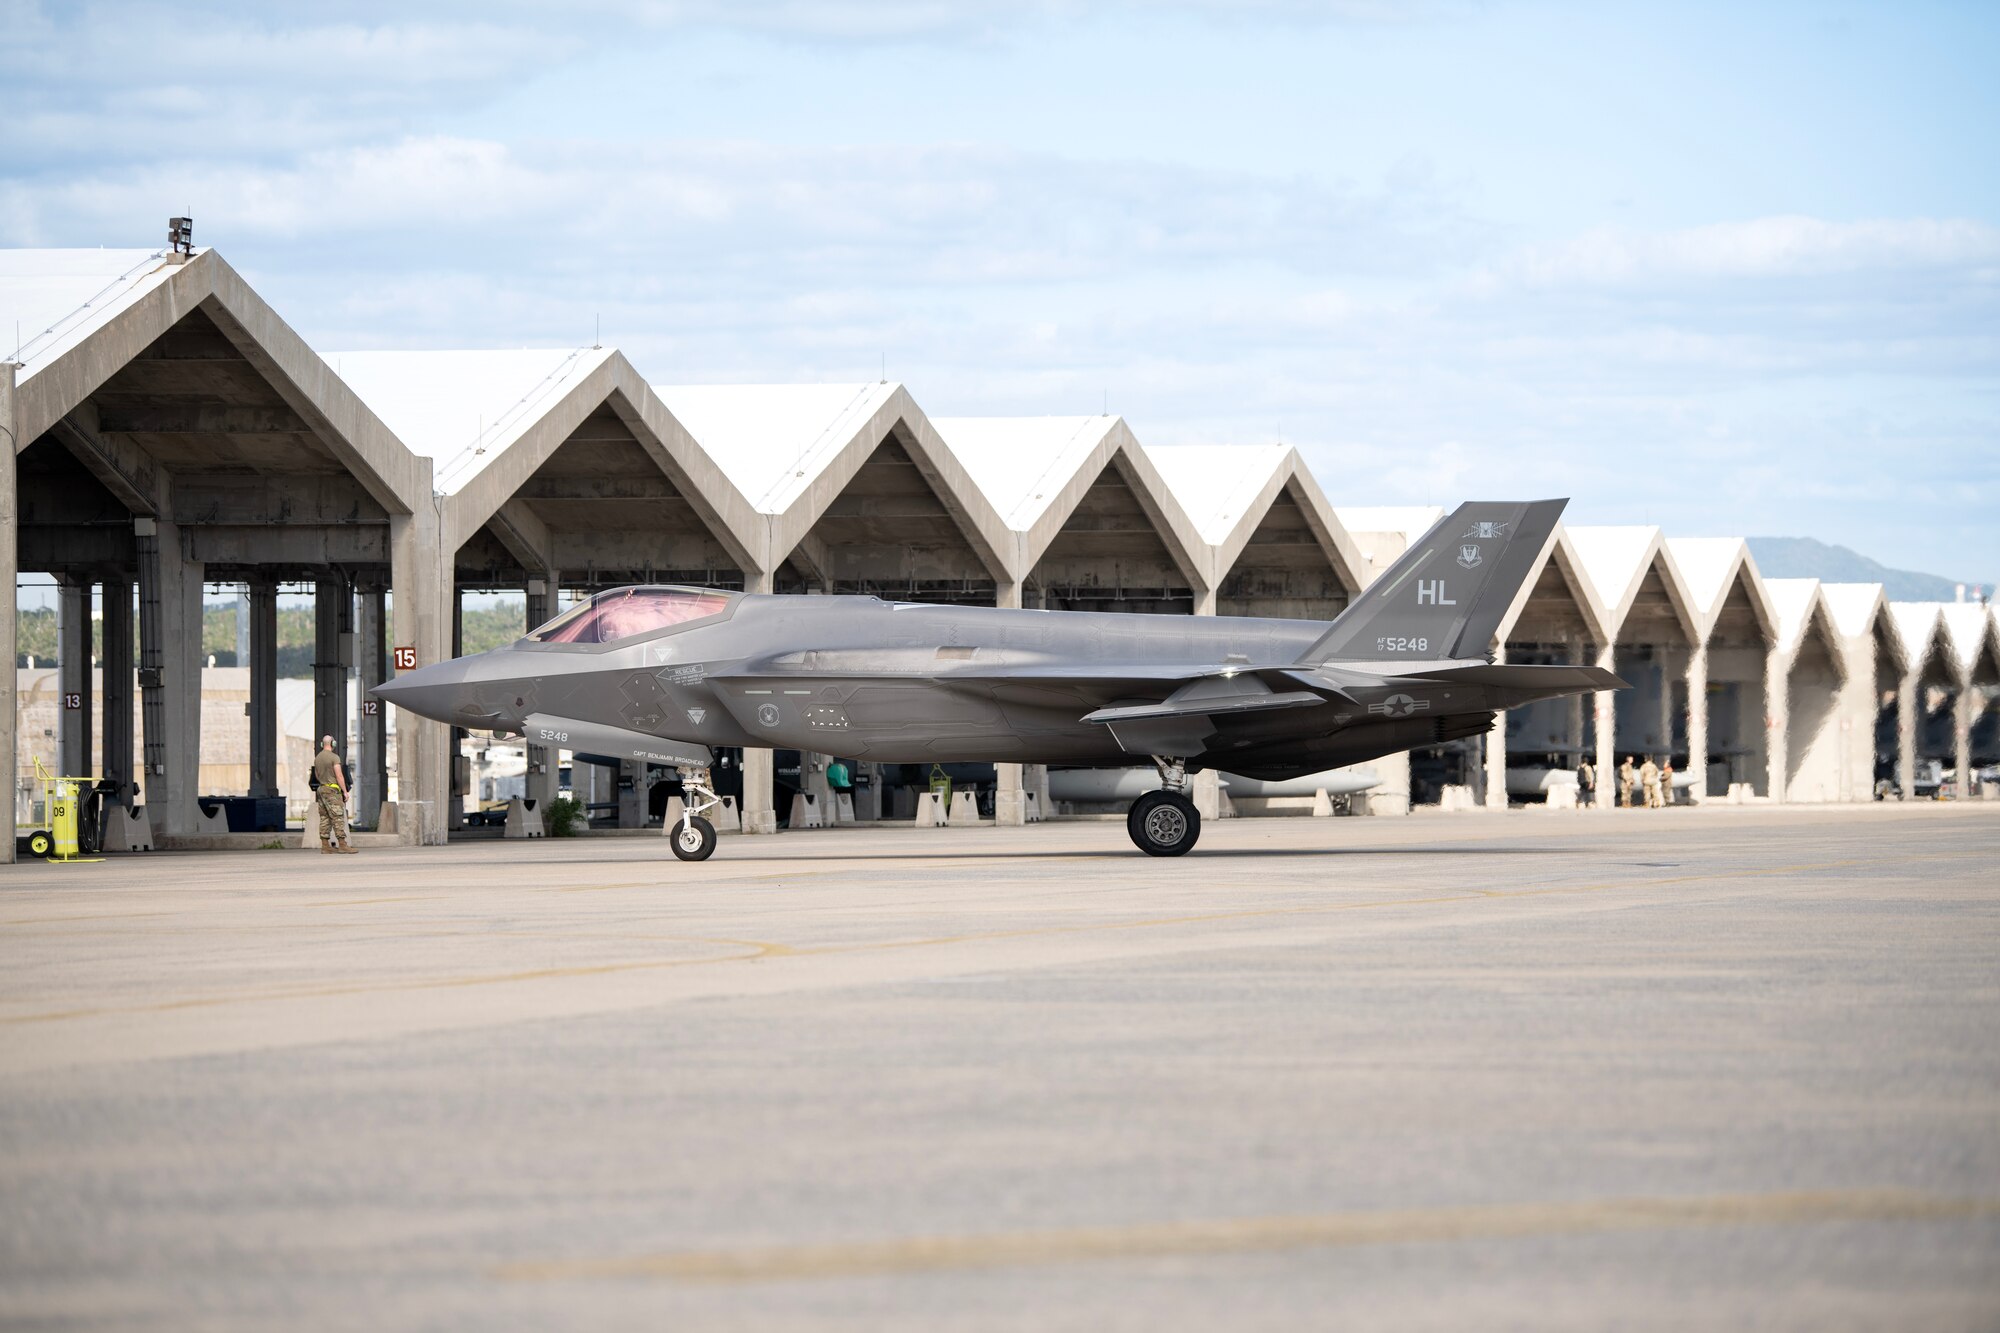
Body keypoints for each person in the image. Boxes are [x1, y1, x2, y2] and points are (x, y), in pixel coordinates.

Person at [313, 735, 357, 854]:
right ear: (333, 744)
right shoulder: (334, 757)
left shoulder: (317, 758)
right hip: (332, 790)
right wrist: (345, 791)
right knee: (337, 817)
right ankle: (342, 844)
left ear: (323, 744)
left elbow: (317, 775)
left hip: (322, 789)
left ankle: (325, 846)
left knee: (324, 818)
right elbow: (339, 775)